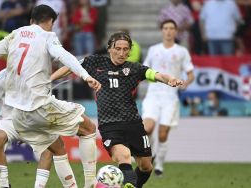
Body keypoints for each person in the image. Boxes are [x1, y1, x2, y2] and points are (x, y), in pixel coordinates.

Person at [0, 5, 101, 188]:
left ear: (31, 21)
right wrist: (86, 76)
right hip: (39, 107)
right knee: (88, 128)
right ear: (50, 22)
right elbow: (64, 56)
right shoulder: (48, 36)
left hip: (18, 115)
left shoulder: (15, 34)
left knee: (56, 147)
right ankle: (90, 184)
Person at [51, 31, 184, 188]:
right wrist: (49, 80)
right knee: (124, 157)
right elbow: (70, 67)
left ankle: (130, 185)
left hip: (134, 123)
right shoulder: (95, 62)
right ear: (109, 48)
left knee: (146, 167)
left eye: (125, 49)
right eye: (118, 48)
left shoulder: (134, 69)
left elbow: (157, 75)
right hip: (110, 124)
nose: (122, 53)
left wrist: (171, 80)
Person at [0, 69, 53, 188]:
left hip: (31, 120)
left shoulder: (38, 74)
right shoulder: (2, 76)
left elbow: (45, 106)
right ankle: (4, 185)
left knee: (50, 147)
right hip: (8, 120)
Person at [142, 19, 195, 177]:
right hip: (153, 95)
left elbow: (190, 74)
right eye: (165, 28)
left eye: (172, 28)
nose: (168, 31)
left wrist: (185, 83)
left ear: (176, 31)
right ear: (162, 30)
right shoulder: (153, 50)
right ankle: (149, 155)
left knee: (163, 133)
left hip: (170, 97)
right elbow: (144, 70)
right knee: (147, 128)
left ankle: (159, 164)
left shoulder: (182, 51)